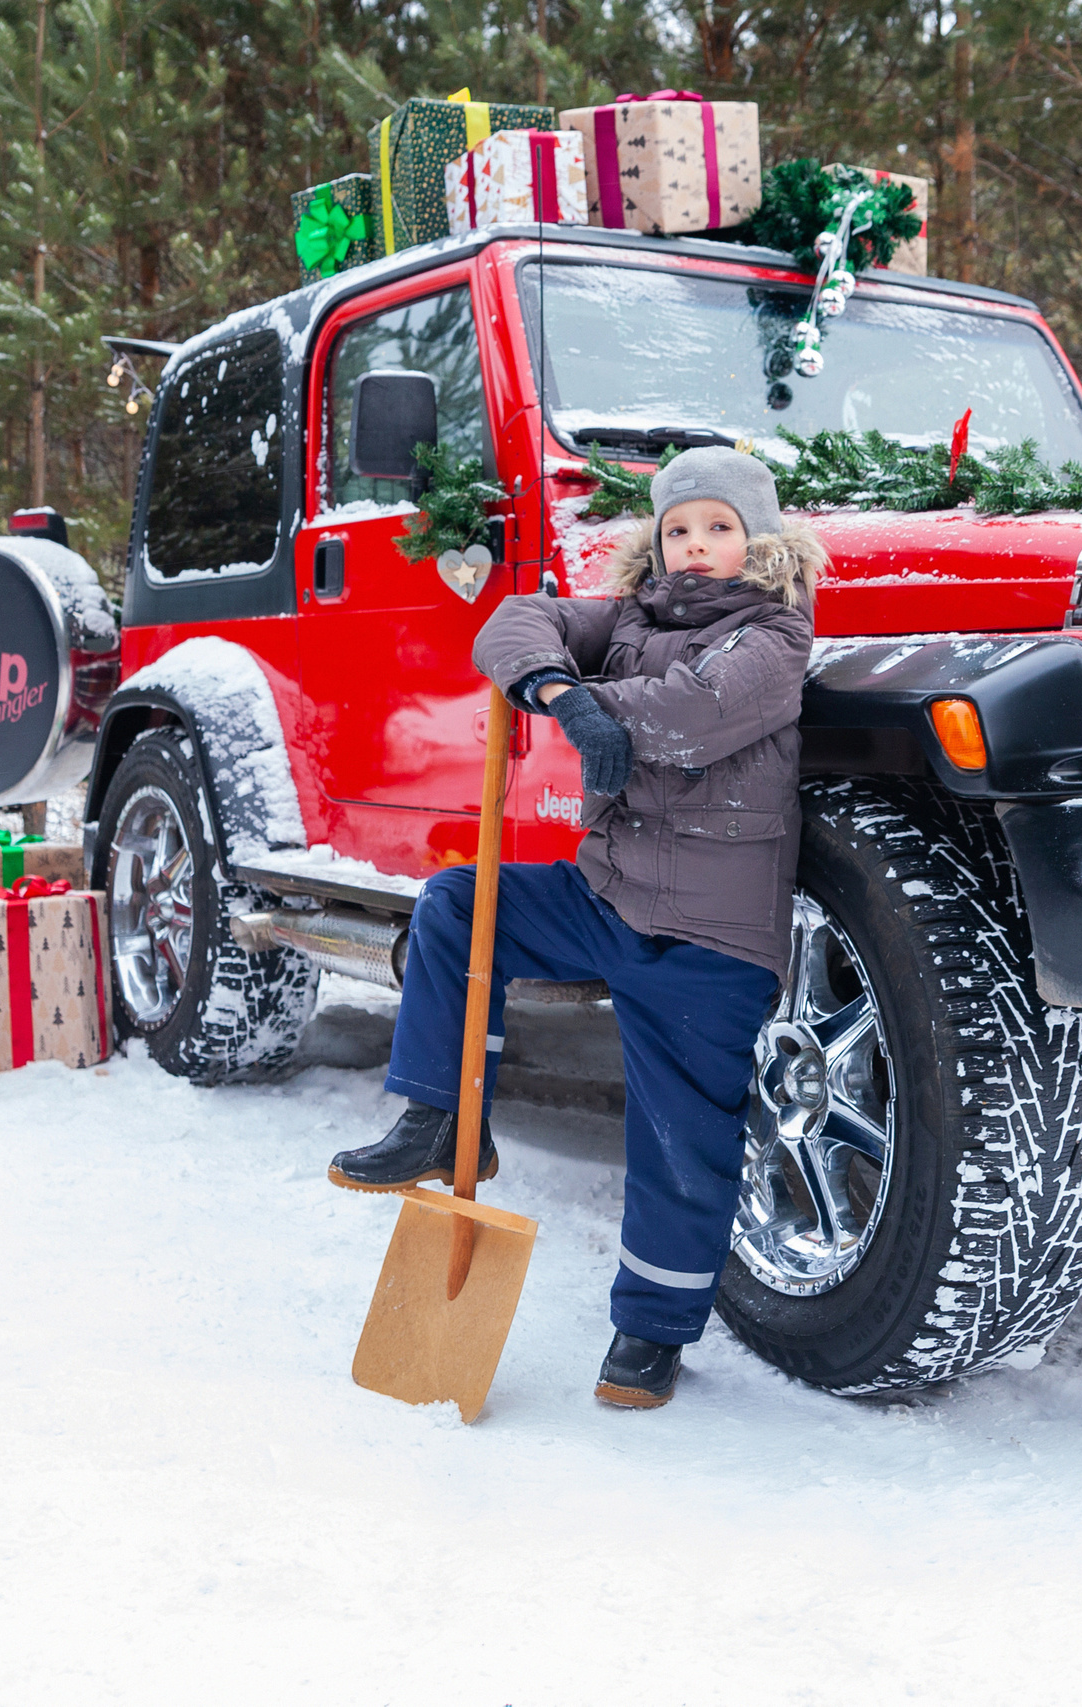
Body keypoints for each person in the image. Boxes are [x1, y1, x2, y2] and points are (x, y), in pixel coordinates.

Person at [328, 447, 823, 1410]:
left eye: (718, 528)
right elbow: (518, 621)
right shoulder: (635, 617)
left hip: (708, 938)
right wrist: (554, 691)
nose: (695, 547)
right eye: (678, 529)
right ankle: (443, 1123)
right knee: (458, 908)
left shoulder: (776, 638)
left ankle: (652, 1331)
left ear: (758, 541)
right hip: (607, 893)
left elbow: (691, 714)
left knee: (682, 1139)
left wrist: (593, 705)